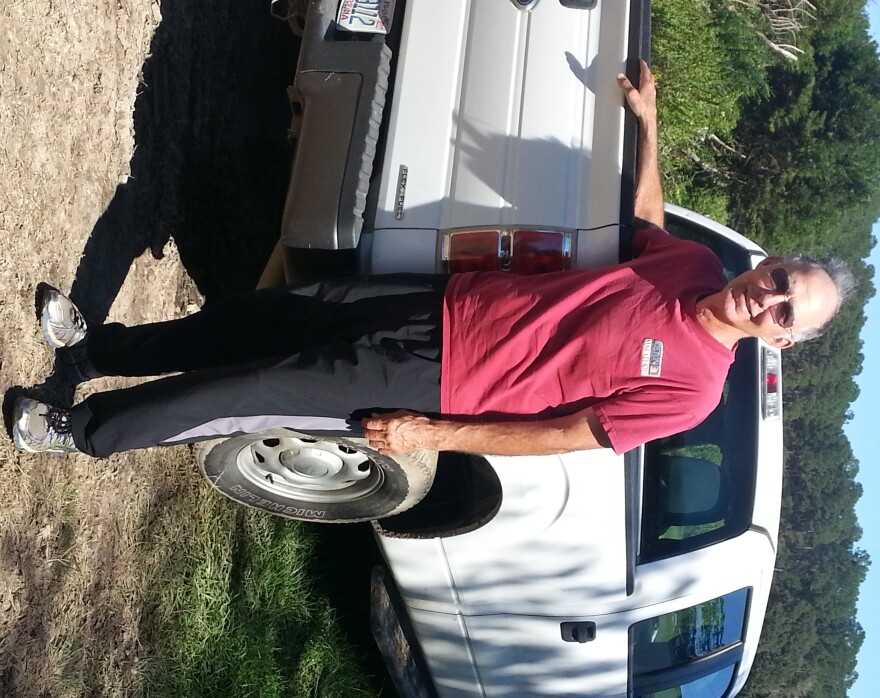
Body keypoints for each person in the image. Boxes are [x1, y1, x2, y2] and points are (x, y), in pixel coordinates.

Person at [9, 62, 853, 459]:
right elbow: (645, 219)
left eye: (787, 313)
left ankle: (78, 431)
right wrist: (647, 125)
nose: (769, 300)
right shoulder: (693, 268)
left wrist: (436, 435)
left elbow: (566, 435)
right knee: (248, 319)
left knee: (249, 391)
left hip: (439, 383)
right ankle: (98, 350)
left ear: (780, 342)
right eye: (782, 281)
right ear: (769, 262)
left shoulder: (694, 393)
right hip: (435, 299)